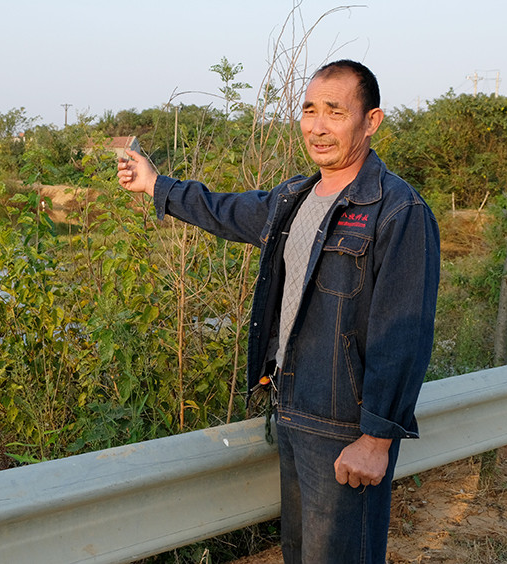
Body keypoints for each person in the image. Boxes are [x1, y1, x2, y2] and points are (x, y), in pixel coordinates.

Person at [117, 60, 439, 563]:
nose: (318, 125)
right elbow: (225, 210)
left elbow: (404, 333)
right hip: (290, 408)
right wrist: (158, 185)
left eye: (335, 111)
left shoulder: (397, 210)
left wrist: (376, 439)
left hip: (344, 426)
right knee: (300, 554)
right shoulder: (294, 198)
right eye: (309, 110)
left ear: (370, 121)